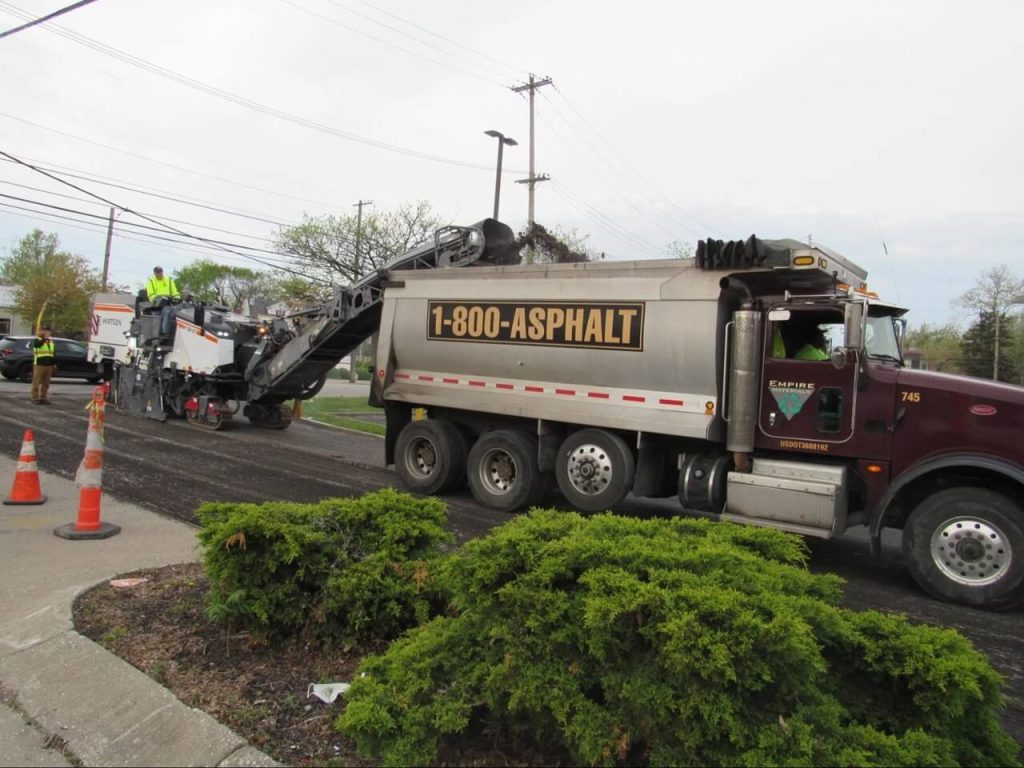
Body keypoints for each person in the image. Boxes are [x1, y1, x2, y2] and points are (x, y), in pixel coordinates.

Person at [145, 266, 181, 338]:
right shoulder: (151, 281)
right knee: (156, 319)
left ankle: (165, 333)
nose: (159, 274)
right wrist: (159, 299)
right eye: (157, 272)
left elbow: (175, 292)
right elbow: (151, 295)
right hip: (155, 306)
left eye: (160, 272)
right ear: (154, 273)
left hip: (167, 304)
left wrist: (177, 298)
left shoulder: (169, 281)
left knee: (168, 311)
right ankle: (156, 335)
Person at [31, 325, 56, 405]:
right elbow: (38, 345)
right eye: (44, 330)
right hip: (39, 364)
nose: (46, 332)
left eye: (48, 331)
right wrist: (45, 338)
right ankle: (35, 398)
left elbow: (53, 353)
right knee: (36, 382)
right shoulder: (37, 340)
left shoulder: (50, 341)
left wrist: (54, 363)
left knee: (46, 383)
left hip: (49, 364)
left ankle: (43, 397)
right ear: (40, 331)